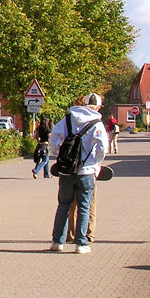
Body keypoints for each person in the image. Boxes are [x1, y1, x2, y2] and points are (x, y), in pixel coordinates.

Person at [49, 93, 109, 254]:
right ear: (97, 107)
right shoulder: (97, 123)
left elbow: (54, 140)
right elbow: (103, 147)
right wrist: (95, 163)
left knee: (63, 205)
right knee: (84, 207)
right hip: (87, 171)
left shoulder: (67, 119)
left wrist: (59, 157)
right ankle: (81, 244)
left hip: (66, 171)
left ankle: (57, 242)